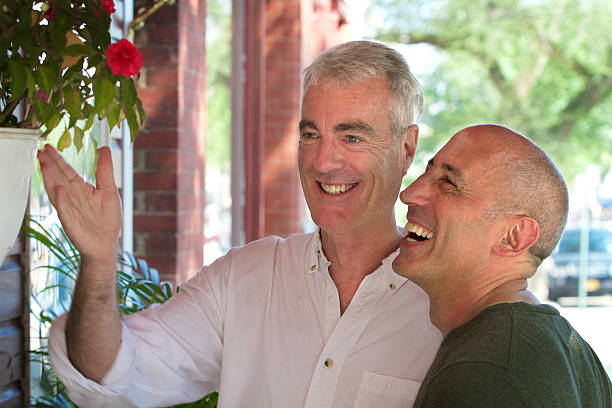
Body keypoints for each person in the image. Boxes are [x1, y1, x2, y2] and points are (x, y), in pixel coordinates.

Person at [39, 40, 442, 407]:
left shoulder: (445, 303)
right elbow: (112, 373)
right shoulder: (243, 278)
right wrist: (98, 258)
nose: (322, 161)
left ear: (406, 148)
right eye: (311, 134)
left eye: (351, 137)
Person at [393, 124, 612, 407]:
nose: (409, 193)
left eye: (448, 183)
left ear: (514, 237)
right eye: (427, 172)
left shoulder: (489, 370)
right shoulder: (561, 349)